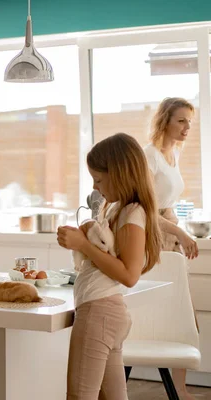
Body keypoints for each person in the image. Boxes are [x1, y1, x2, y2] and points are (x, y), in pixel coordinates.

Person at [57, 133, 162, 399]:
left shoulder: (131, 212)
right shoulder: (118, 208)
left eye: (99, 180)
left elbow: (129, 275)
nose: (95, 187)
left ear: (121, 173)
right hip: (107, 315)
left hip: (99, 314)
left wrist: (83, 244)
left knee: (80, 395)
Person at [145, 97, 199, 399]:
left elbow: (168, 205)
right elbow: (144, 209)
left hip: (171, 237)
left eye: (190, 121)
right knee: (156, 314)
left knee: (181, 312)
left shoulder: (173, 155)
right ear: (165, 120)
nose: (187, 127)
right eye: (181, 120)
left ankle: (180, 389)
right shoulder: (148, 155)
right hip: (153, 240)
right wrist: (180, 232)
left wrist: (180, 233)